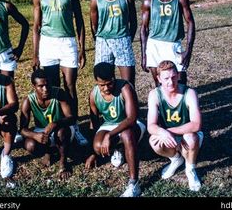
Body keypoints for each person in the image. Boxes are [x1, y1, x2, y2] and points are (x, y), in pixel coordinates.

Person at [32, 0, 88, 146]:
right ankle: (57, 128)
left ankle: (75, 126)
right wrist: (35, 53)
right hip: (48, 43)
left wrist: (82, 49)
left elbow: (79, 21)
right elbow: (37, 26)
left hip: (67, 43)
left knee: (70, 86)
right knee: (53, 88)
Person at [85, 62, 146, 197]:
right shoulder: (94, 94)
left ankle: (134, 184)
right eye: (102, 85)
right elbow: (94, 124)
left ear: (114, 78)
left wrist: (109, 135)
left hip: (132, 125)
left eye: (109, 83)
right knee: (98, 146)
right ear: (96, 82)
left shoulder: (125, 87)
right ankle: (119, 149)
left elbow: (131, 118)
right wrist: (93, 153)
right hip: (109, 125)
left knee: (127, 134)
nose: (106, 88)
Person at [147, 60, 203, 191]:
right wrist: (163, 133)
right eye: (166, 78)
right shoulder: (154, 94)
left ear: (178, 75)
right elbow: (151, 126)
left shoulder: (189, 93)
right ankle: (176, 159)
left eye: (173, 77)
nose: (170, 82)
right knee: (154, 141)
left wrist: (169, 131)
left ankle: (190, 169)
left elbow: (196, 124)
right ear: (159, 78)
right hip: (171, 136)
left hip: (189, 134)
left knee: (190, 137)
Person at [140, 0, 196, 86]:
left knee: (181, 83)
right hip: (155, 45)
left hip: (173, 44)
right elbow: (144, 28)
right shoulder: (148, 0)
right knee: (160, 84)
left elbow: (190, 22)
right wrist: (144, 55)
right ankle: (163, 105)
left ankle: (181, 105)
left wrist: (188, 50)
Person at [20, 69, 75, 180]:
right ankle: (48, 152)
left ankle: (63, 163)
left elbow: (71, 118)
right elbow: (22, 129)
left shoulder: (59, 93)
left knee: (61, 132)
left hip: (61, 128)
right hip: (42, 131)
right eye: (41, 86)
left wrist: (55, 123)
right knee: (30, 145)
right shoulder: (28, 100)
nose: (45, 89)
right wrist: (35, 135)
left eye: (47, 84)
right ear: (34, 86)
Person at [90, 0, 137, 88]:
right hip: (103, 41)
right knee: (105, 80)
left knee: (128, 83)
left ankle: (129, 106)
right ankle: (113, 105)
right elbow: (94, 25)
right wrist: (99, 39)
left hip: (123, 40)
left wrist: (128, 39)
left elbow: (133, 22)